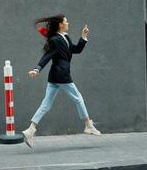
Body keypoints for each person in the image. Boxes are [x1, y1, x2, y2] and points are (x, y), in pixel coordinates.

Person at [22, 13, 101, 148]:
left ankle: (30, 130)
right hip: (62, 75)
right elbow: (47, 55)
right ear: (60, 24)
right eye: (66, 21)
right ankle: (88, 125)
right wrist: (37, 69)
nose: (68, 23)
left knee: (46, 104)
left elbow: (76, 50)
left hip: (54, 77)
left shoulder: (65, 37)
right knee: (79, 99)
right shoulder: (55, 40)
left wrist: (83, 36)